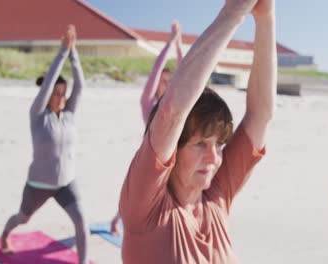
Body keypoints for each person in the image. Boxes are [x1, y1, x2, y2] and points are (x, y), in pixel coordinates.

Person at [119, 0, 276, 262]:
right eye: (200, 143)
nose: (214, 158)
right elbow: (171, 112)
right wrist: (234, 12)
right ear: (174, 150)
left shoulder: (216, 195)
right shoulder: (146, 208)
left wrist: (266, 17)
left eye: (219, 145)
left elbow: (261, 115)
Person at [0, 25, 89, 264]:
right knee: (22, 218)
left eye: (63, 93)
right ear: (48, 94)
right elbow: (49, 82)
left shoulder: (70, 113)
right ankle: (5, 235)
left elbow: (81, 86)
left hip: (66, 184)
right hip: (38, 185)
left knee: (81, 222)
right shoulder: (38, 115)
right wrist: (61, 52)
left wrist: (74, 53)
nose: (60, 97)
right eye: (56, 93)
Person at [110, 20, 184, 236]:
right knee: (135, 197)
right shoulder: (149, 105)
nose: (167, 84)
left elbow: (187, 72)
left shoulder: (178, 105)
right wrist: (169, 43)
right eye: (164, 81)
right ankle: (117, 220)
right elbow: (155, 72)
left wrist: (179, 45)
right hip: (149, 161)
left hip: (174, 161)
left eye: (171, 81)